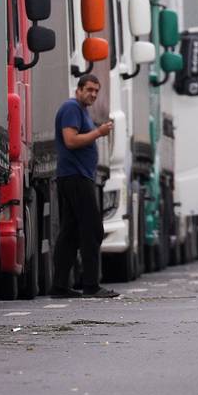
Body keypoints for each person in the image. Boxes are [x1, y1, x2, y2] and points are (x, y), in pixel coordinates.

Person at [51, 73, 119, 299]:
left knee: (70, 233)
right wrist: (99, 133)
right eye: (89, 90)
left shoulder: (81, 111)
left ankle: (60, 286)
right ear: (78, 89)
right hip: (76, 177)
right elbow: (70, 140)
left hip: (76, 177)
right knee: (92, 230)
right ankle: (91, 284)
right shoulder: (71, 108)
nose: (93, 94)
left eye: (96, 91)